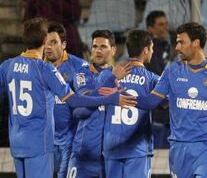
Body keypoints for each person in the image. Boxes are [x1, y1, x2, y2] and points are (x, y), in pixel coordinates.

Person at [0, 18, 135, 178]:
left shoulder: (7, 65)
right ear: (44, 40)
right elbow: (76, 101)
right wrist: (110, 98)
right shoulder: (44, 68)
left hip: (18, 143)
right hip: (40, 143)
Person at [130, 22, 207, 178]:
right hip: (180, 147)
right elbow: (151, 102)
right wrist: (121, 97)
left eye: (181, 42)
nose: (177, 47)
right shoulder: (172, 71)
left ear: (196, 43)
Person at [97, 30, 159, 177]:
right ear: (145, 50)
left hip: (112, 146)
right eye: (151, 48)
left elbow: (94, 99)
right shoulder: (152, 79)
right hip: (137, 149)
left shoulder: (107, 74)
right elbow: (167, 103)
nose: (152, 51)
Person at [68, 29, 119, 178]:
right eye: (95, 46)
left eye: (103, 46)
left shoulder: (121, 77)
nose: (98, 51)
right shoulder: (82, 74)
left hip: (110, 158)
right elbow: (83, 107)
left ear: (113, 50)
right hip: (83, 156)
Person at [44, 21, 88, 178]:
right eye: (45, 42)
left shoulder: (79, 67)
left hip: (69, 142)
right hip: (45, 141)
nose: (48, 47)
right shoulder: (38, 66)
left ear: (64, 44)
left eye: (53, 42)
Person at [146, 10, 173, 148]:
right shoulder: (148, 52)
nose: (165, 27)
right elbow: (156, 77)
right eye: (161, 24)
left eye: (166, 23)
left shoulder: (170, 45)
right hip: (156, 114)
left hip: (170, 114)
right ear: (151, 28)